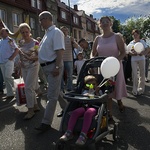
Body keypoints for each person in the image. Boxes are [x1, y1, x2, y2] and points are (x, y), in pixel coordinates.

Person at [92, 16, 127, 121]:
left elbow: (123, 52)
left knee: (115, 89)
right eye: (102, 22)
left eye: (107, 21)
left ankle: (119, 101)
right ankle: (110, 115)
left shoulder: (116, 37)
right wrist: (92, 61)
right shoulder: (97, 38)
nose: (105, 23)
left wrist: (116, 61)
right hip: (103, 68)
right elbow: (93, 53)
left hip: (115, 67)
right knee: (107, 92)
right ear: (100, 25)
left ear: (110, 24)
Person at [35, 11, 65, 131]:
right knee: (56, 91)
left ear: (46, 19)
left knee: (52, 95)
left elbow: (60, 51)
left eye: (40, 20)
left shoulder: (56, 32)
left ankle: (46, 122)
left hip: (53, 67)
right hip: (47, 67)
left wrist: (57, 67)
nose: (39, 22)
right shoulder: (47, 33)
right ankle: (69, 109)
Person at [60, 75, 100, 146]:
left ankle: (83, 135)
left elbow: (102, 100)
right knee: (75, 112)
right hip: (83, 106)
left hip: (94, 107)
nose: (92, 86)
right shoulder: (84, 91)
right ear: (86, 85)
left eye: (94, 84)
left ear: (96, 84)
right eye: (89, 84)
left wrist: (97, 92)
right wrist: (86, 95)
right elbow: (82, 97)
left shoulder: (99, 91)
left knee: (88, 113)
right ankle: (69, 132)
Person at [18, 23, 40, 119]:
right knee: (29, 87)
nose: (25, 34)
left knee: (28, 87)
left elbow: (39, 55)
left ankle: (30, 110)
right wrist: (20, 63)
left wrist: (32, 58)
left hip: (33, 66)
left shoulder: (35, 43)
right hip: (24, 67)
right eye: (23, 32)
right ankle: (35, 106)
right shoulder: (21, 43)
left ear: (30, 32)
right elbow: (20, 54)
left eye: (26, 32)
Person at [128, 29, 149, 95]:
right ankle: (134, 89)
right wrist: (132, 54)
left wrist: (143, 53)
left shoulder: (142, 41)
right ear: (132, 36)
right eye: (134, 35)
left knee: (142, 74)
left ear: (139, 35)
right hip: (133, 59)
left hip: (141, 58)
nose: (135, 36)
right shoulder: (131, 43)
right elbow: (128, 51)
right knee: (134, 74)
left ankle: (141, 89)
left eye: (136, 35)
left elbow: (147, 49)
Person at [0, 28, 19, 99]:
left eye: (2, 32)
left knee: (8, 76)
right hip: (1, 62)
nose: (1, 33)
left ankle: (17, 87)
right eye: (1, 32)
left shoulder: (10, 40)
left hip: (9, 61)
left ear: (7, 33)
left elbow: (16, 49)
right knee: (5, 78)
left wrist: (12, 57)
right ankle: (10, 94)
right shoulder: (0, 41)